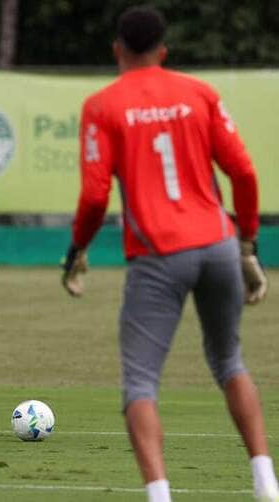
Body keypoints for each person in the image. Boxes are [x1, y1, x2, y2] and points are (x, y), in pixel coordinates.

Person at [60, 6, 274, 502]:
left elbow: (94, 198)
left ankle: (160, 496)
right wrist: (247, 245)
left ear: (117, 50)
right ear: (164, 51)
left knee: (140, 382)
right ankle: (266, 481)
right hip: (219, 244)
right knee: (229, 361)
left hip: (159, 254)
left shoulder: (102, 105)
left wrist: (78, 249)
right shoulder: (199, 93)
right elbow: (243, 173)